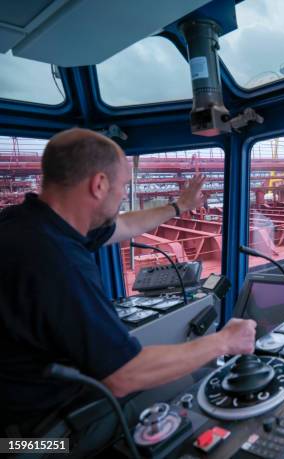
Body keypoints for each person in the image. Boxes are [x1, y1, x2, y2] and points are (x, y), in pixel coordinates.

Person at [0, 128, 256, 451]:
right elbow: (123, 375)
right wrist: (224, 341)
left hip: (17, 418)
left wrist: (178, 207)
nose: (123, 195)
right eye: (123, 186)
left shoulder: (26, 223)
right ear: (99, 184)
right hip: (34, 441)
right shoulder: (56, 260)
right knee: (186, 400)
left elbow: (124, 225)